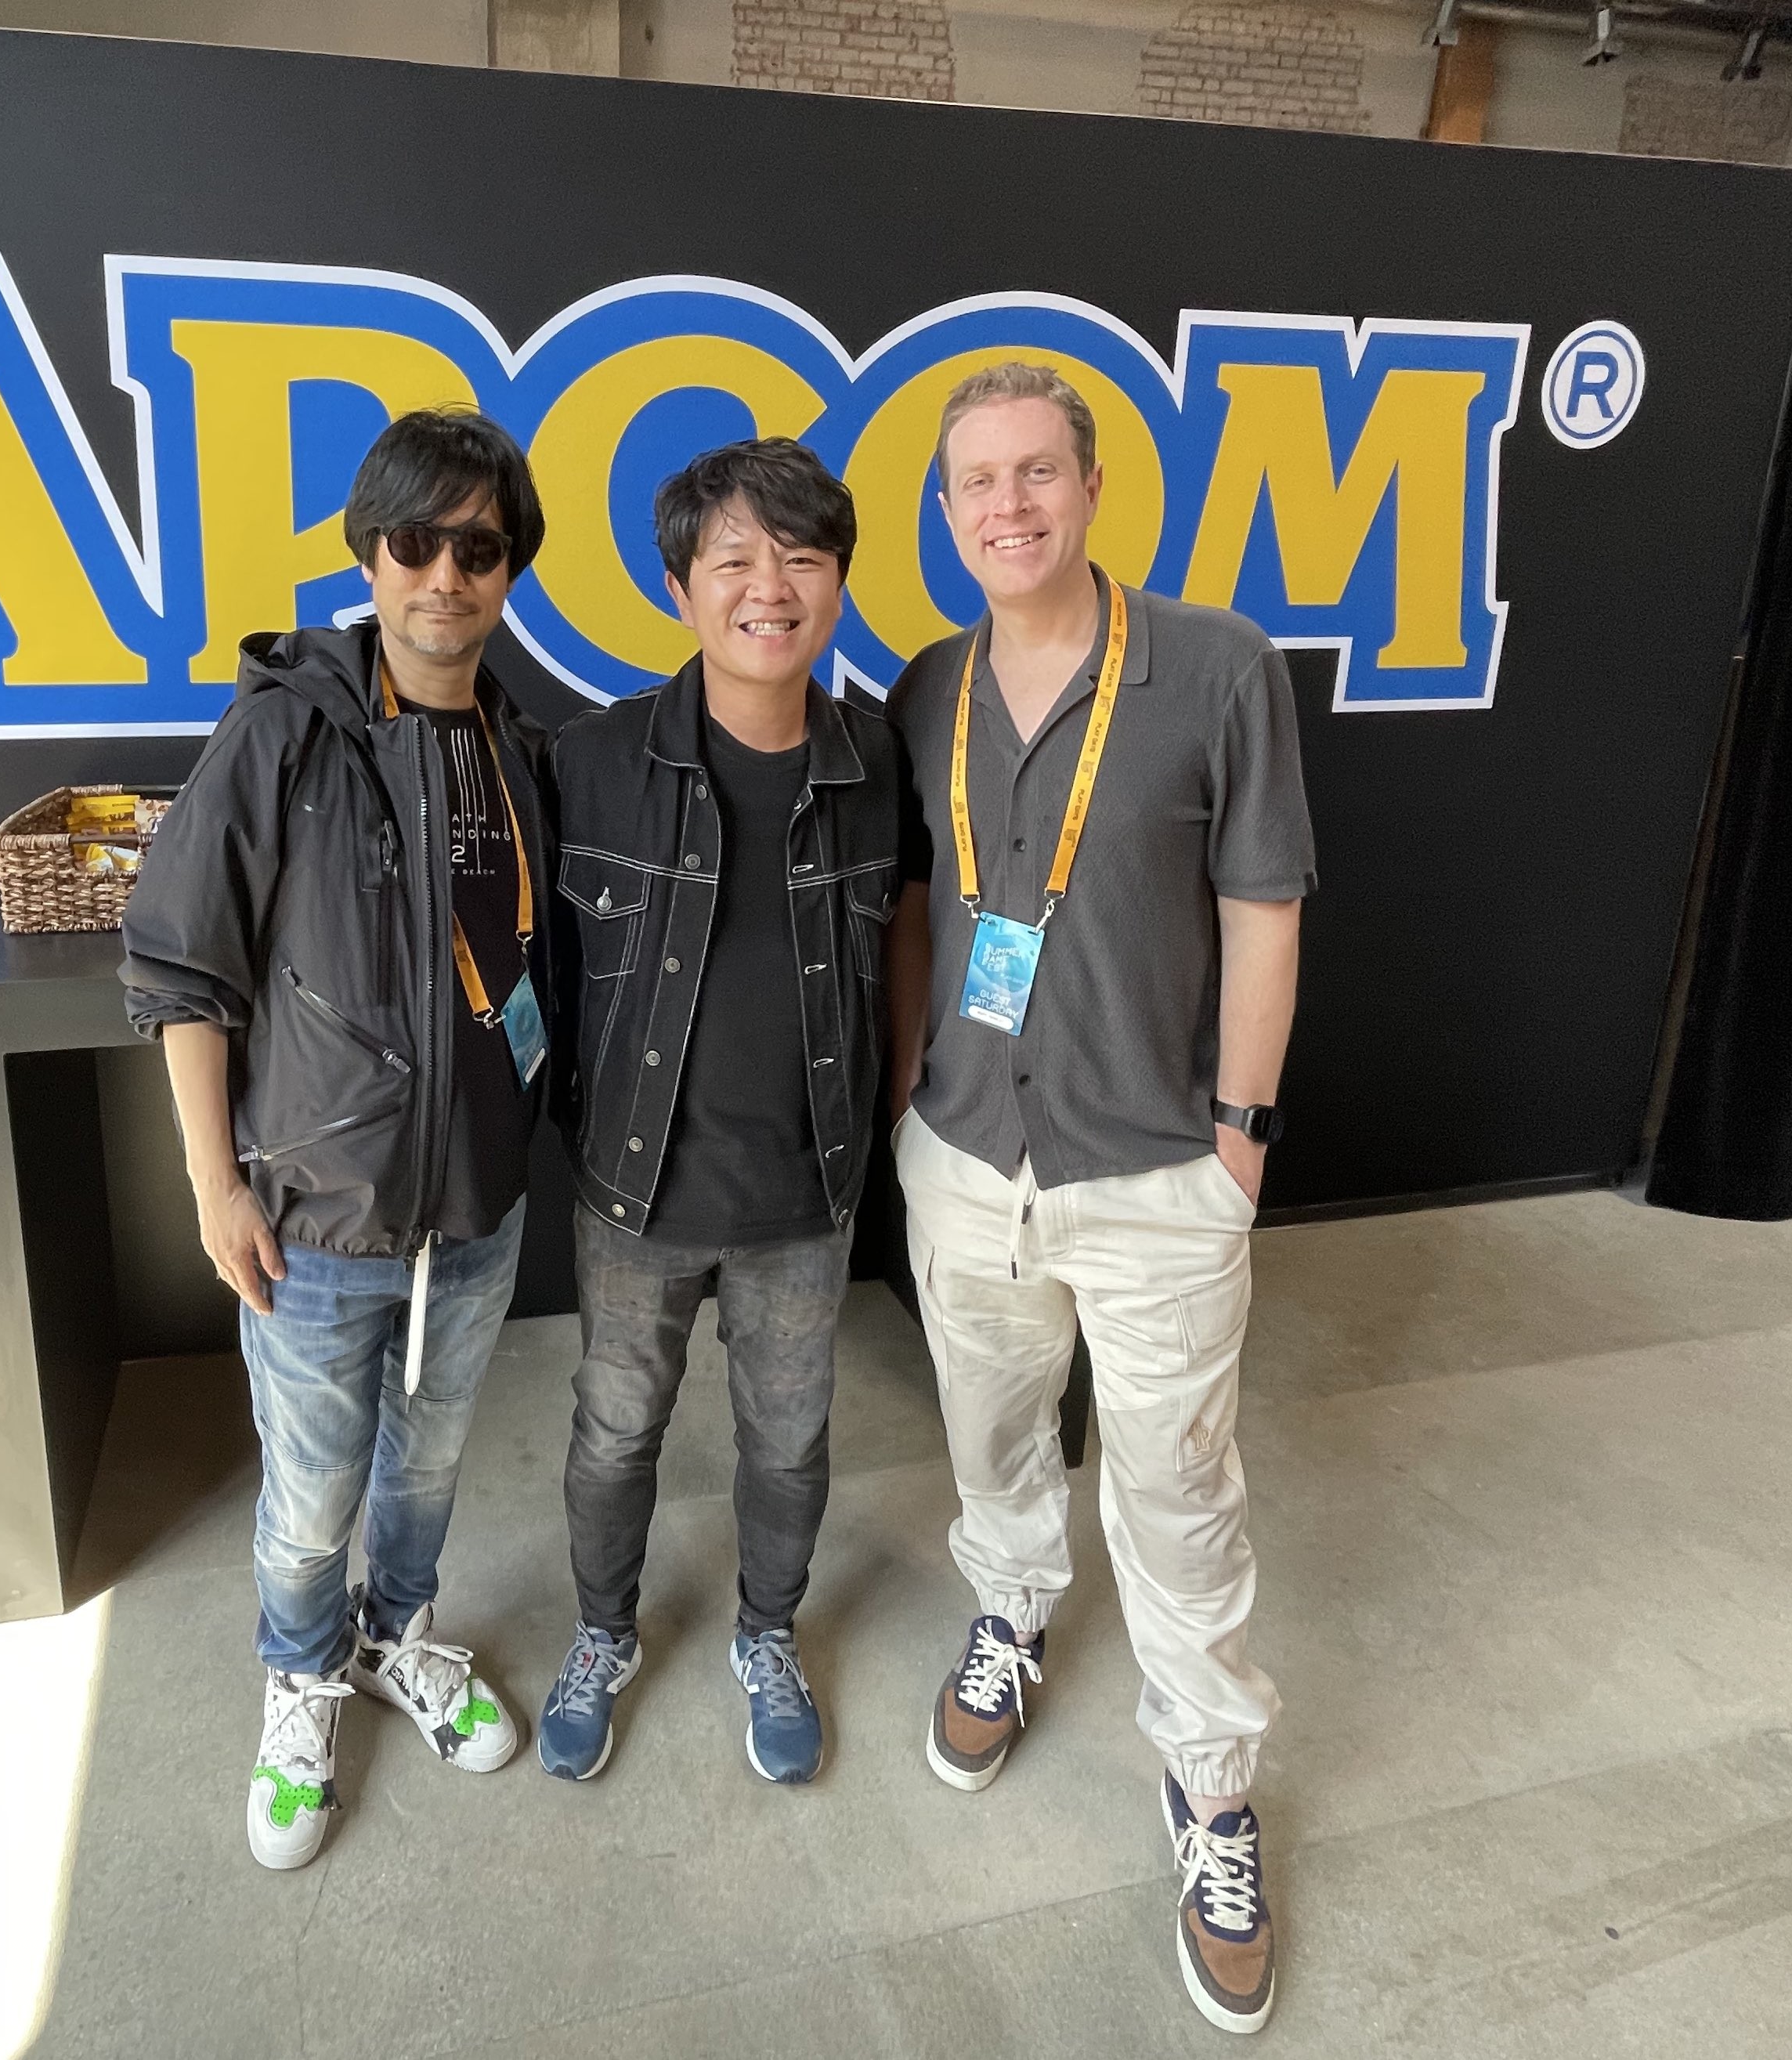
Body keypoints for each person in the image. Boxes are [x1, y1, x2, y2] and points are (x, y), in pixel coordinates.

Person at [882, 363, 1313, 2033]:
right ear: (945, 511)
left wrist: (1240, 1141)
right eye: (976, 481)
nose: (1007, 504)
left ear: (1090, 485)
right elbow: (913, 906)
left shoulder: (1216, 667)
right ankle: (1009, 1615)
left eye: (1035, 471)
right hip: (967, 1161)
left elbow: (1263, 906)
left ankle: (1209, 1783)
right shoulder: (927, 686)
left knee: (1179, 1490)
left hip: (1154, 1177)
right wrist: (917, 1092)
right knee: (993, 1436)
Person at [120, 407, 554, 1871]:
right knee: (310, 1501)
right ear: (370, 555)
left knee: (424, 1473)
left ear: (510, 570)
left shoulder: (518, 751)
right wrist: (214, 1186)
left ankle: (397, 1638)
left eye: (478, 548)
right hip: (314, 1226)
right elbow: (182, 968)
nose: (445, 575)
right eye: (415, 541)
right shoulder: (282, 731)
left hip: (473, 1219)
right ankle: (300, 1682)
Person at [534, 438, 909, 1787]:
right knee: (613, 1430)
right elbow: (538, 970)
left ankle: (766, 1633)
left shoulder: (877, 760)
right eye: (734, 560)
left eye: (800, 558)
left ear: (838, 581)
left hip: (804, 1192)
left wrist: (897, 1096)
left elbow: (910, 933)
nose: (770, 587)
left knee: (789, 1439)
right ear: (680, 586)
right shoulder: (588, 761)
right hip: (633, 1192)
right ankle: (600, 1633)